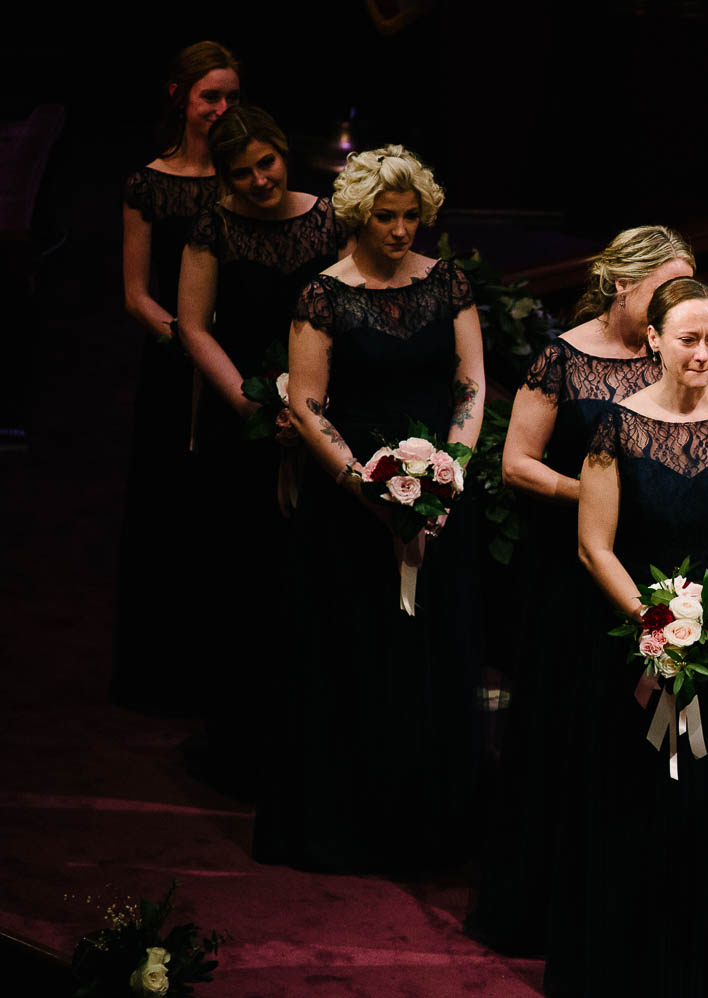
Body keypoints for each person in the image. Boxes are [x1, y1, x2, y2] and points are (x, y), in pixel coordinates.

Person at [466, 225, 694, 990]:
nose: (678, 303)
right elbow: (515, 464)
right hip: (570, 571)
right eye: (664, 289)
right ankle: (539, 902)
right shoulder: (563, 355)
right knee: (562, 724)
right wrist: (593, 494)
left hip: (648, 566)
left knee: (630, 733)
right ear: (620, 285)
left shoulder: (679, 351)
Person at [253, 145, 485, 872]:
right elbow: (308, 403)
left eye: (411, 216)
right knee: (350, 658)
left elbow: (471, 386)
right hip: (350, 511)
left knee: (431, 661)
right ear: (358, 216)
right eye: (386, 216)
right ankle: (343, 826)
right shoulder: (324, 293)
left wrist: (448, 474)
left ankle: (427, 829)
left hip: (436, 504)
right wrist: (367, 488)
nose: (400, 229)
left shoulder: (447, 284)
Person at [577, 276, 708, 996]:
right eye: (689, 339)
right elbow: (595, 546)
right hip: (642, 639)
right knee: (645, 807)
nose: (703, 353)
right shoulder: (615, 423)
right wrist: (657, 629)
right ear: (656, 342)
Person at [174, 105, 349, 792]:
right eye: (241, 172)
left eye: (265, 163)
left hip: (322, 419)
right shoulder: (214, 225)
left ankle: (309, 739)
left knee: (310, 577)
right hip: (241, 418)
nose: (257, 180)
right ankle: (240, 743)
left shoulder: (330, 220)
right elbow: (194, 326)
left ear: (284, 152)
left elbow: (348, 312)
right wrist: (254, 402)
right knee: (241, 577)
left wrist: (310, 408)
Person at [112, 41, 241, 712]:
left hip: (238, 360)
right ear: (180, 99)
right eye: (209, 97)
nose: (221, 109)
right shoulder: (148, 183)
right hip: (175, 363)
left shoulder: (245, 178)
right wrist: (189, 341)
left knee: (223, 512)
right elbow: (136, 293)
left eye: (230, 98)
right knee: (169, 505)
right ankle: (160, 671)